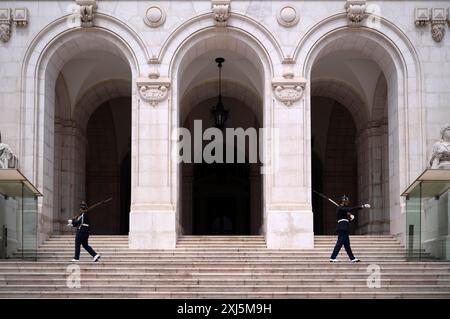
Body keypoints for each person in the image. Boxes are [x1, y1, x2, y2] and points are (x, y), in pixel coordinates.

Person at [329, 195, 370, 263]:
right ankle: (332, 257)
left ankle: (352, 258)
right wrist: (362, 206)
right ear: (343, 202)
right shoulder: (340, 208)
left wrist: (351, 218)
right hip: (342, 227)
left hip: (345, 227)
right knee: (339, 243)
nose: (347, 203)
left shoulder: (343, 210)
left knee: (347, 245)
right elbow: (351, 209)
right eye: (346, 202)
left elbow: (346, 219)